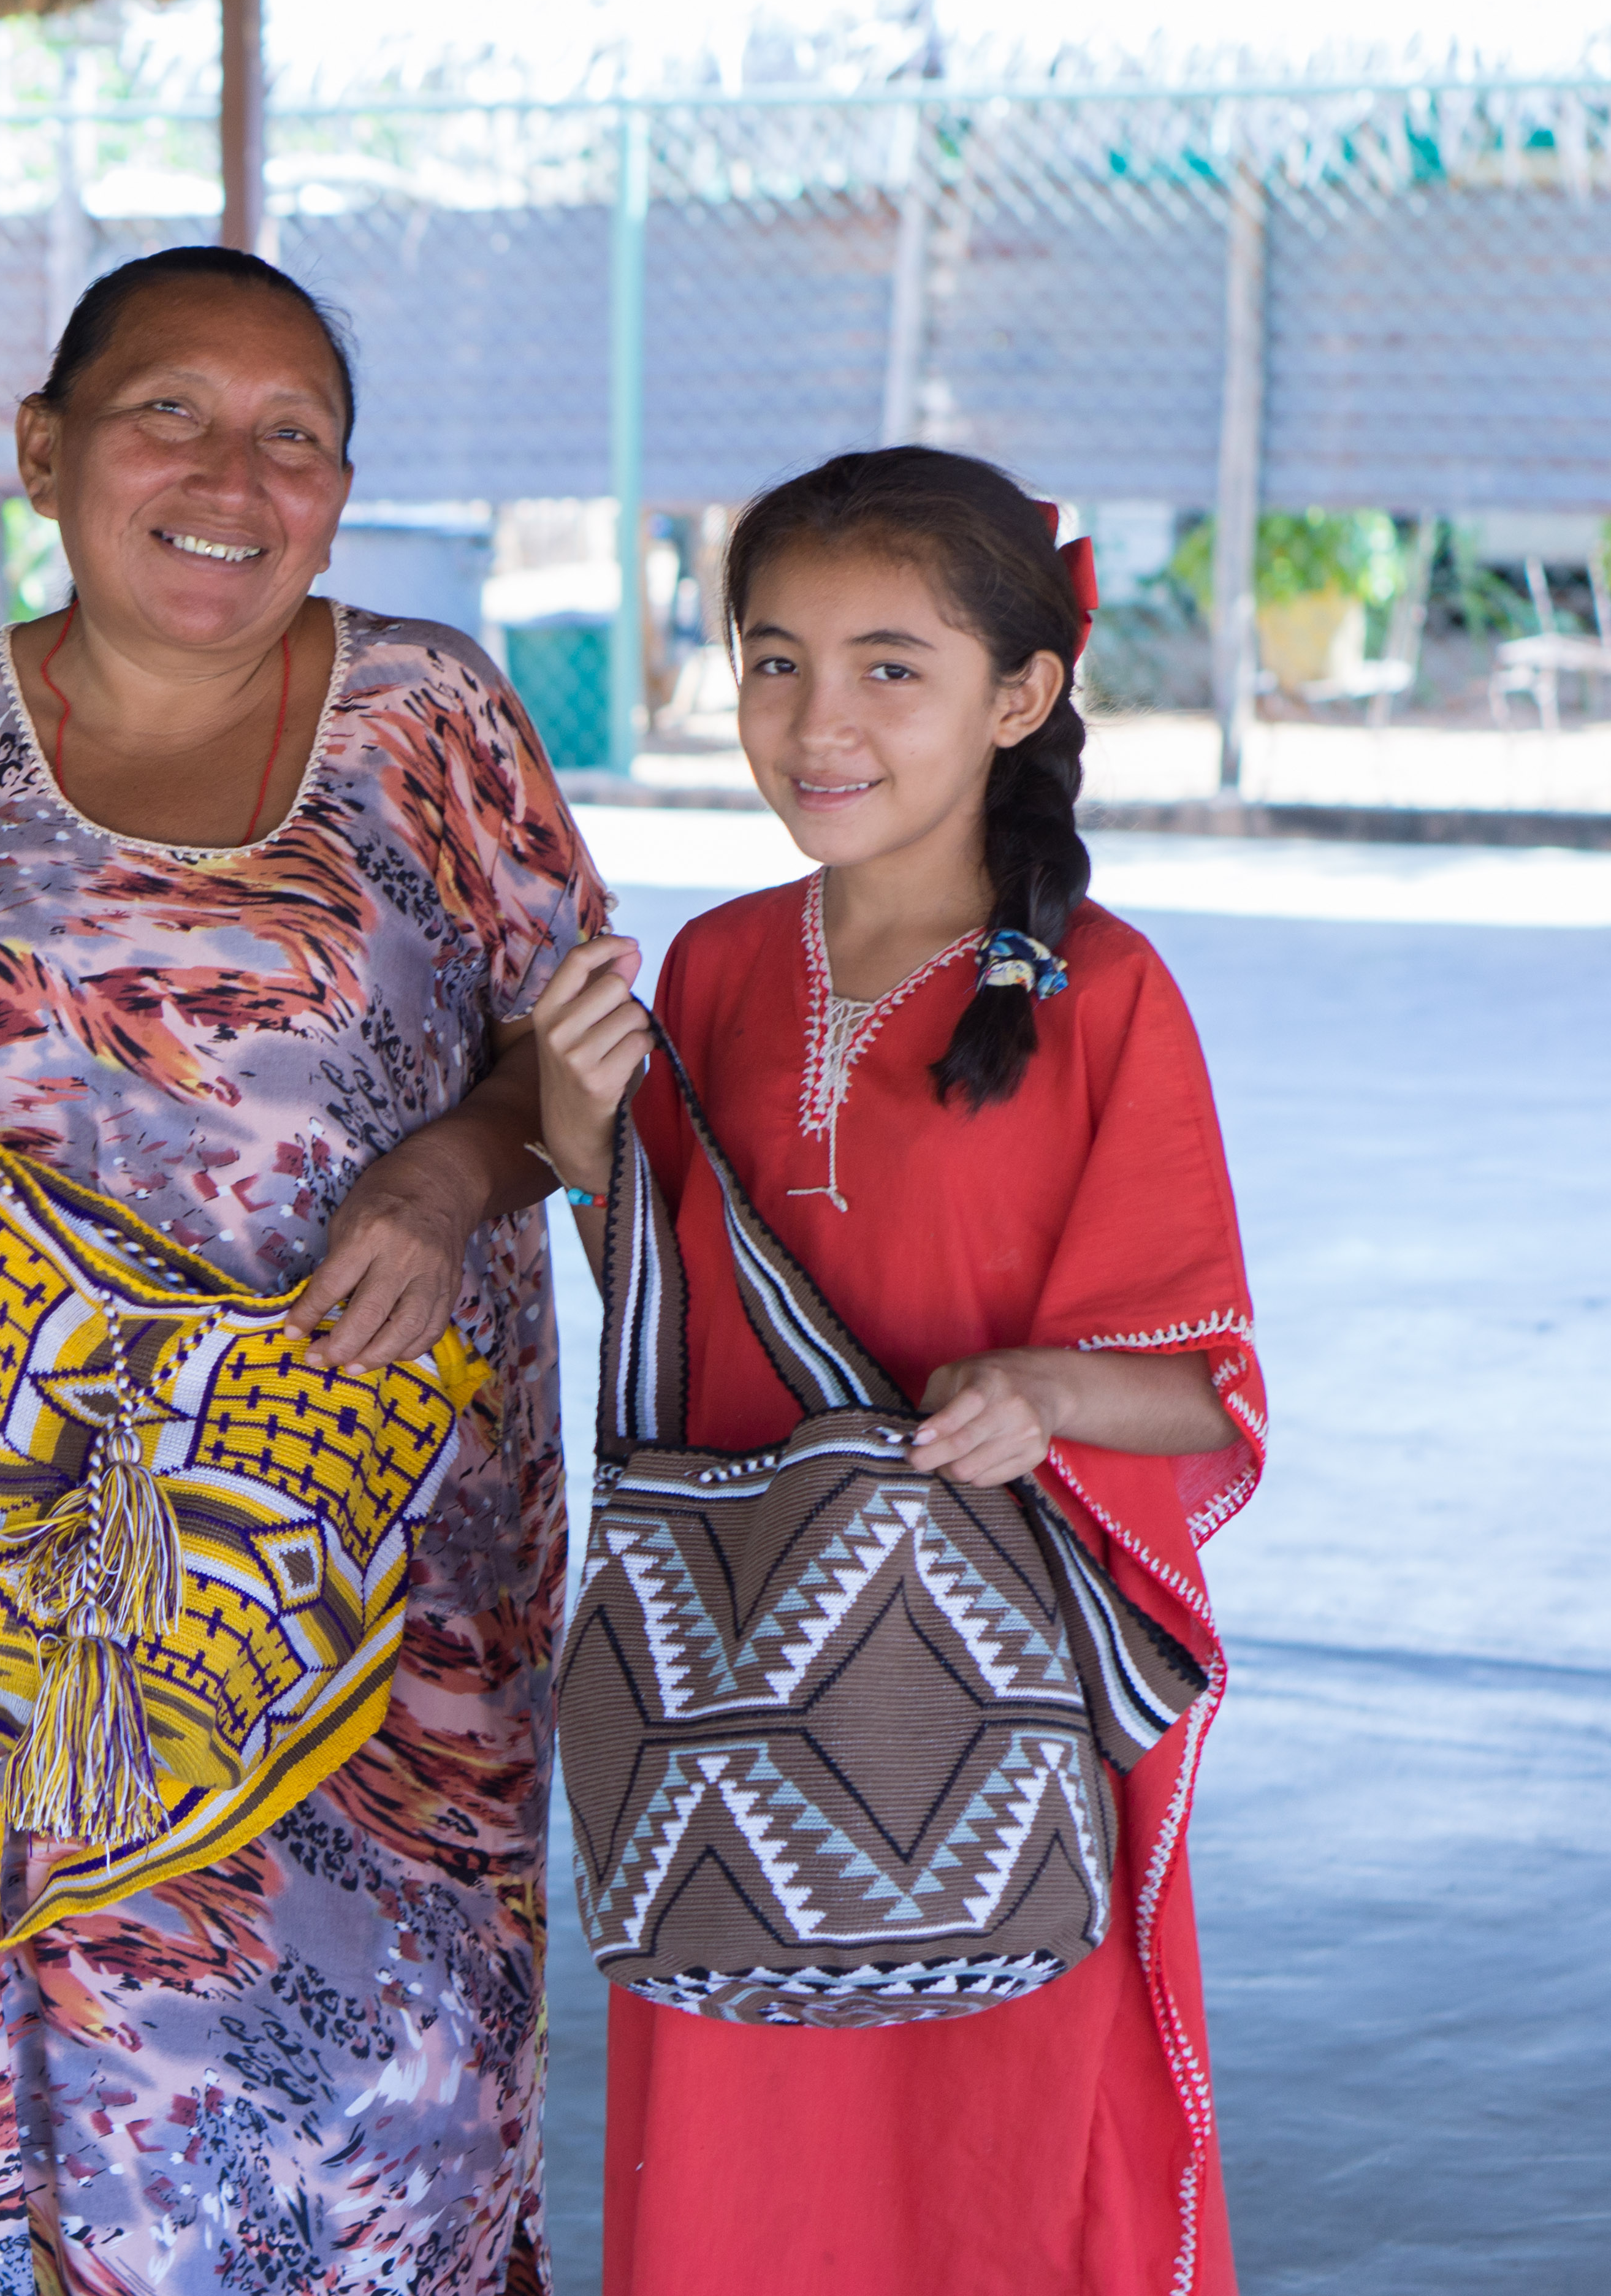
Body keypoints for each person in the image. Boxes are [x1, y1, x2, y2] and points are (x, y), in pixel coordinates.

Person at [0, 245, 607, 2294]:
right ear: (46, 451)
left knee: (386, 2104)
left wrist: (443, 1177)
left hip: (382, 1546)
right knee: (52, 2058)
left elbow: (579, 1071)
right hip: (14, 1551)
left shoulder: (434, 714)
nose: (235, 471)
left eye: (294, 435)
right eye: (172, 412)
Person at [531, 445, 1265, 2296]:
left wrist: (1047, 1393)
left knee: (1018, 2158)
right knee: (740, 2160)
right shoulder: (704, 968)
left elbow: (1211, 1392)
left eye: (889, 667)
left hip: (982, 1711)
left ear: (1020, 696)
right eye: (773, 661)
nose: (816, 721)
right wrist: (570, 1137)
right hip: (739, 1712)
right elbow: (673, 1324)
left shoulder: (1103, 992)